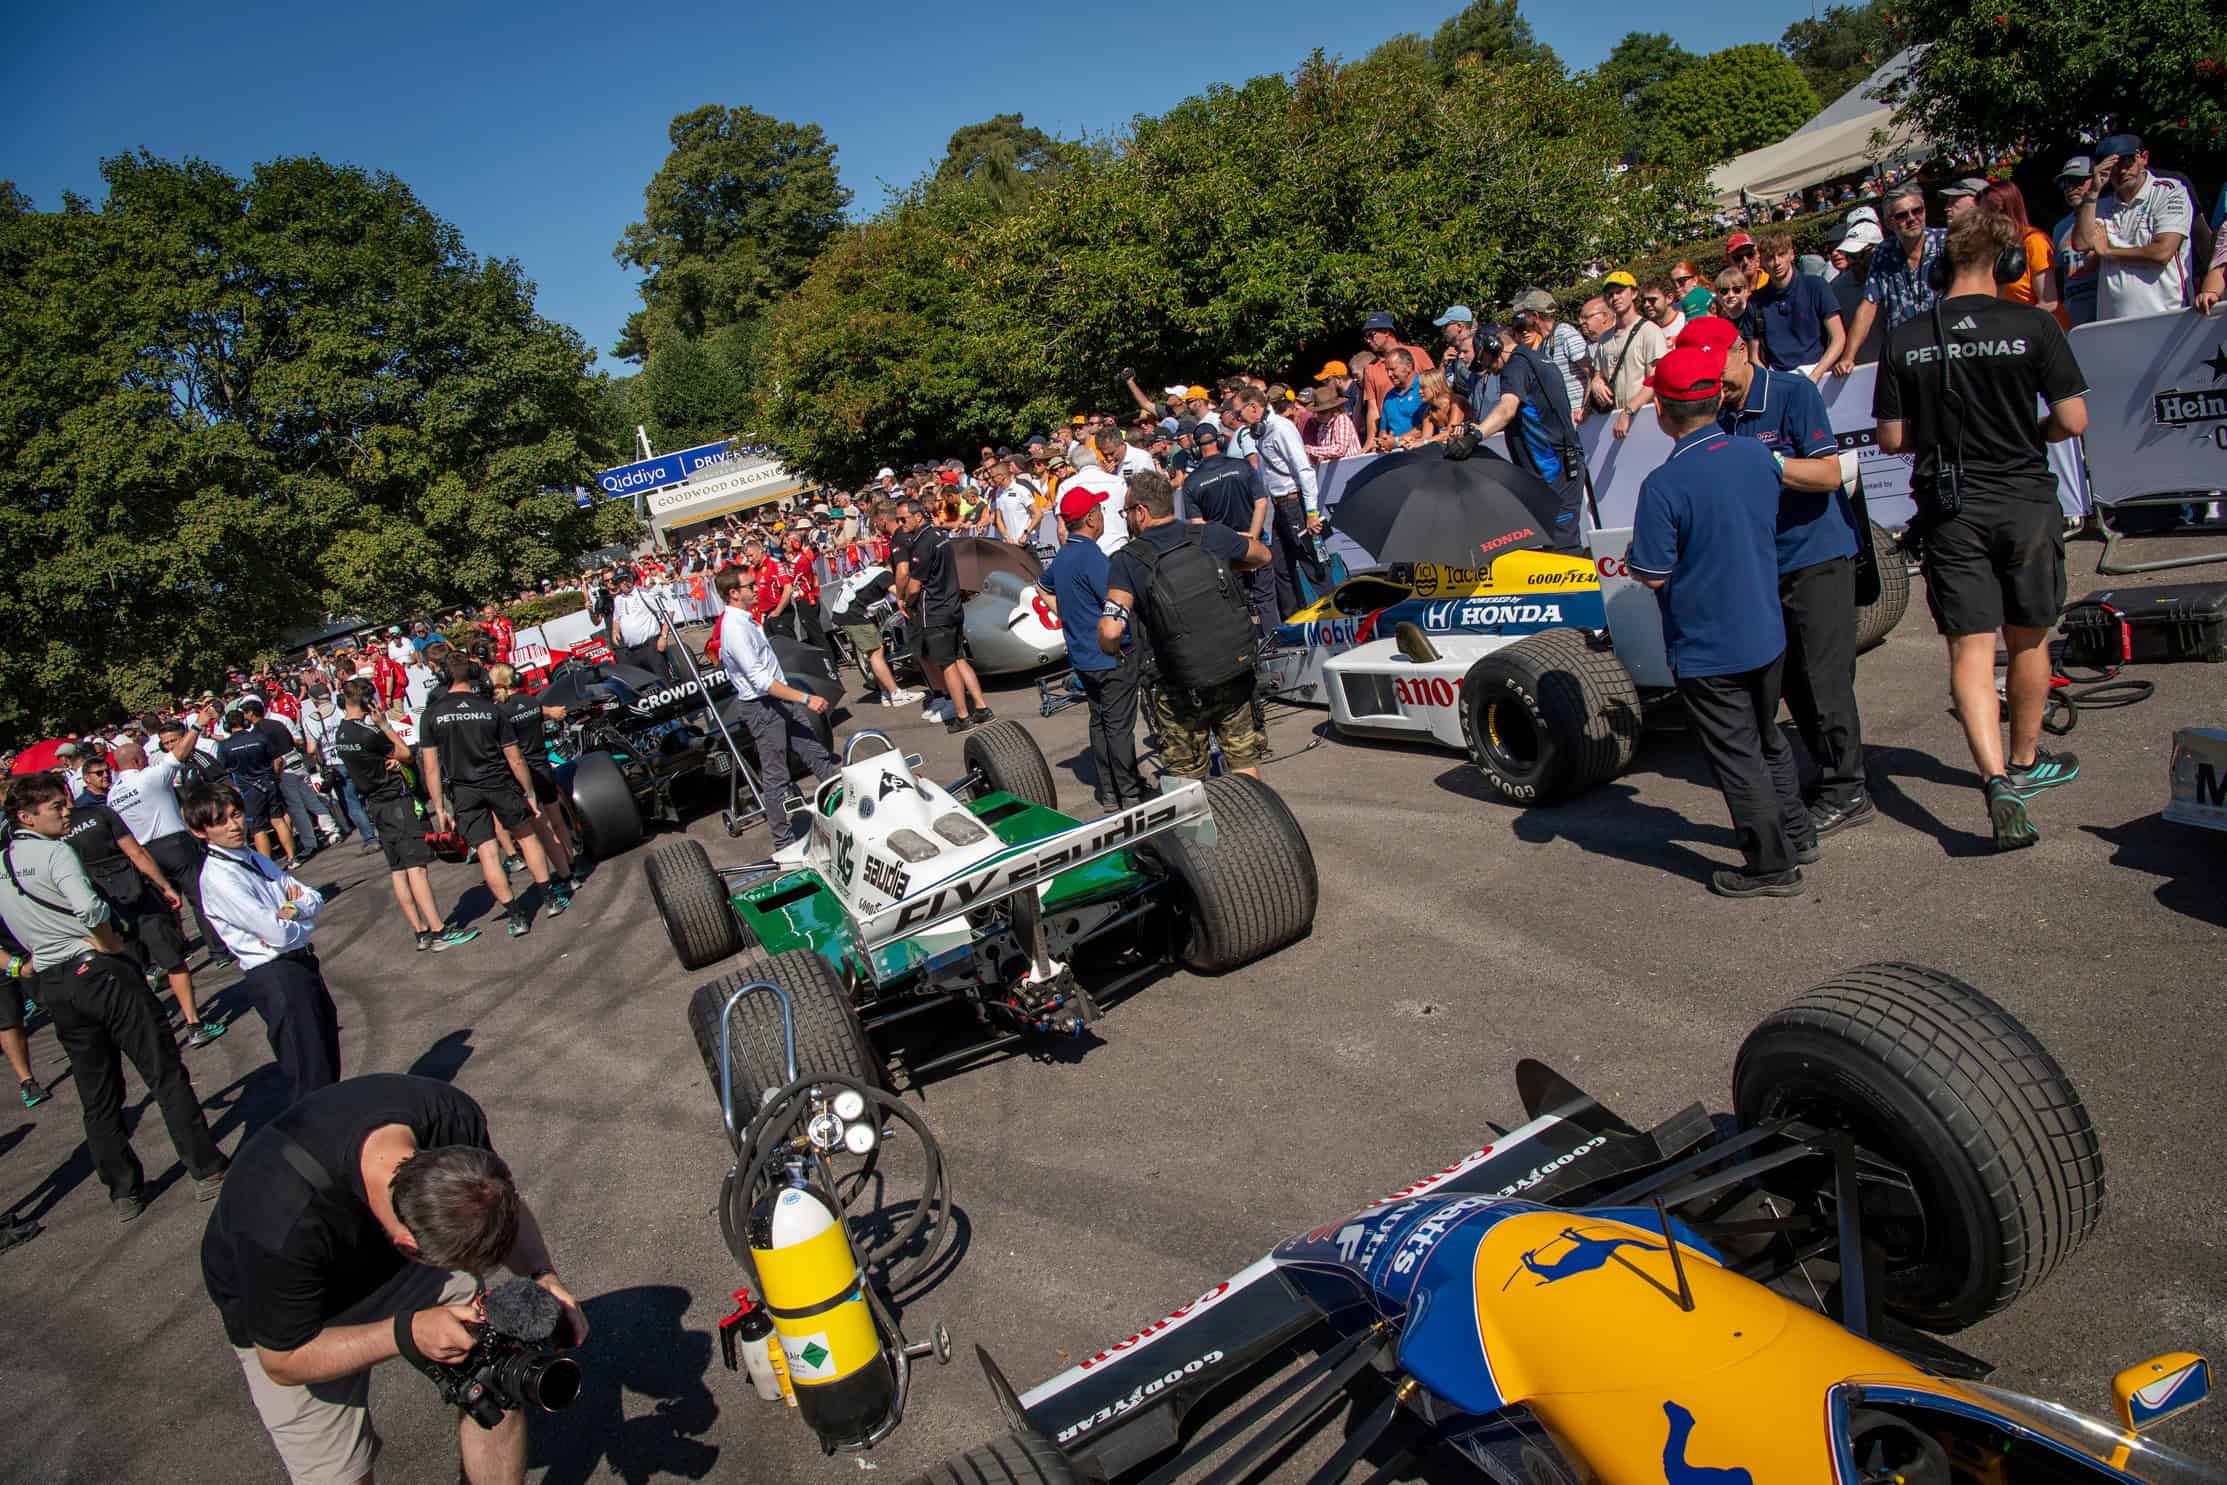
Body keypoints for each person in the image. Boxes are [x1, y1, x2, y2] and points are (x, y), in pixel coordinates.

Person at [200, 1073, 586, 1485]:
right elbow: (283, 1361)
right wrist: (406, 1333)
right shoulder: (276, 1223)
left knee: (500, 1375)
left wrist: (542, 1274)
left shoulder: (449, 1119)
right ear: (409, 1247)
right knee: (337, 1475)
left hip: (384, 1257)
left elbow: (503, 1202)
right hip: (296, 1322)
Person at [1875, 208, 2089, 850]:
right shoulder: (2033, 325)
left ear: (1939, 268)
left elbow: (1891, 438)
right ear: (2008, 263)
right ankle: (2024, 763)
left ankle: (1994, 780)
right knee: (2028, 638)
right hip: (2024, 499)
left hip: (1949, 509)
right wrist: (2030, 431)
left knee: (1969, 649)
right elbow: (2073, 420)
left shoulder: (1906, 337)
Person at [1628, 346, 1817, 898]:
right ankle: (1798, 834)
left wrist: (1645, 559)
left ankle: (1771, 864)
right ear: (1717, 398)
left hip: (1707, 646)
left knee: (1738, 758)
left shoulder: (1663, 484)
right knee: (1767, 739)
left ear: (1661, 411)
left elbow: (1652, 574)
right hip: (1765, 628)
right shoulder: (1756, 455)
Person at [0, 772, 230, 1221]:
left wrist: (18, 966)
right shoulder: (55, 852)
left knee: (97, 1092)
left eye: (65, 802)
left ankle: (123, 1189)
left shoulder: (4, 864)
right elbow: (89, 907)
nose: (67, 811)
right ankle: (205, 1168)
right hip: (97, 968)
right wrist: (107, 944)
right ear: (26, 817)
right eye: (55, 807)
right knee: (162, 1070)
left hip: (54, 983)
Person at [1689, 314, 1872, 837]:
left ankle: (1848, 788)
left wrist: (1763, 460)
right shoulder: (1718, 412)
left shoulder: (1793, 393)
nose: (1717, 388)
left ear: (1741, 351)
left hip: (1816, 556)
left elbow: (1830, 473)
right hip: (1764, 564)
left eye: (1720, 375)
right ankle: (1828, 773)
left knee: (1824, 680)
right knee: (1790, 681)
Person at [1099, 472, 1272, 781]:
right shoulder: (1211, 535)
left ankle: (1195, 815)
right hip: (1232, 669)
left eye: (1127, 512)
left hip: (1177, 682)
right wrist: (1230, 564)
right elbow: (1263, 555)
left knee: (1186, 778)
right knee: (1243, 761)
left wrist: (1113, 651)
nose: (1128, 518)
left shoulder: (1127, 561)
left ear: (1141, 511)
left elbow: (1112, 629)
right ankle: (1252, 808)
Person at [187, 782, 345, 1101]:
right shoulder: (219, 877)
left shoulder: (253, 858)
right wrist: (301, 922)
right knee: (310, 1077)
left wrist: (293, 909)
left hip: (302, 963)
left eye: (236, 815)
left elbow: (312, 897)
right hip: (276, 974)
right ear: (201, 831)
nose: (233, 826)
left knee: (327, 1062)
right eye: (220, 821)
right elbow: (276, 933)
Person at [64, 756, 227, 1048]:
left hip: (105, 908)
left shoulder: (56, 840)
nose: (105, 776)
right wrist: (165, 887)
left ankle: (158, 1033)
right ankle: (194, 1024)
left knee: (134, 971)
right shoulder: (101, 812)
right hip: (137, 896)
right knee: (174, 961)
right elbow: (136, 853)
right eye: (98, 773)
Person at [419, 652, 570, 937]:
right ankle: (549, 899)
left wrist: (439, 808)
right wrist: (529, 792)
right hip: (499, 782)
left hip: (463, 790)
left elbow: (430, 767)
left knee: (487, 853)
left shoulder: (431, 714)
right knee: (526, 837)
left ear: (444, 676)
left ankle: (516, 916)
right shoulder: (490, 709)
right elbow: (515, 759)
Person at [334, 680, 478, 954]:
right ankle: (439, 931)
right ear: (368, 702)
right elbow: (405, 753)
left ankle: (421, 931)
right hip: (395, 801)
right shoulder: (368, 732)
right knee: (416, 868)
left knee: (398, 870)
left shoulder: (341, 733)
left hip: (376, 804)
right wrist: (385, 725)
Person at [711, 568, 841, 852]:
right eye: (750, 585)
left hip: (779, 699)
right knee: (777, 777)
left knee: (816, 753)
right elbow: (761, 682)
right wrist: (805, 698)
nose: (757, 588)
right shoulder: (734, 629)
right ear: (734, 593)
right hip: (762, 707)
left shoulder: (746, 619)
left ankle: (842, 807)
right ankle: (783, 842)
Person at [1042, 488, 1148, 812]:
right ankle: (1129, 793)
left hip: (1083, 657)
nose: (1102, 515)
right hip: (1110, 656)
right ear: (1090, 518)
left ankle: (1111, 793)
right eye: (1099, 510)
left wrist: (1068, 615)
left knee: (1100, 722)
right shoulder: (1092, 557)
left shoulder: (1064, 556)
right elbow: (1117, 600)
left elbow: (1042, 586)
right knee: (1117, 727)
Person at [1468, 318, 1587, 549]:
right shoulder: (1534, 358)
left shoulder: (1515, 366)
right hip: (1560, 463)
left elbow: (1507, 408)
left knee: (1561, 545)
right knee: (1557, 541)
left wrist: (1475, 437)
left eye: (1483, 359)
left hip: (1553, 466)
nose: (1486, 368)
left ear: (1493, 346)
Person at [888, 498, 992, 732]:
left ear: (917, 516)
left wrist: (905, 602)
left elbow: (914, 586)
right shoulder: (939, 535)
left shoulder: (923, 542)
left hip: (935, 610)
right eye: (898, 520)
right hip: (952, 605)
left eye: (903, 519)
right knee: (959, 659)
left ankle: (963, 716)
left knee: (947, 665)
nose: (901, 524)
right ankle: (981, 707)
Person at [2077, 133, 2195, 321]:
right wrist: (2093, 191)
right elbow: (2082, 244)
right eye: (2112, 166)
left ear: (2144, 158)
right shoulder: (2100, 204)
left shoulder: (2169, 191)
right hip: (2113, 322)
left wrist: (2108, 252)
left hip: (2167, 315)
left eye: (2127, 161)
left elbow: (2162, 252)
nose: (2121, 171)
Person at [1234, 387, 1327, 618]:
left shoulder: (1281, 428)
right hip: (1276, 507)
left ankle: (1331, 615)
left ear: (1253, 407)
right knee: (1280, 567)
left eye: (1238, 413)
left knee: (1311, 563)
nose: (1237, 419)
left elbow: (1304, 469)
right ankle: (1293, 619)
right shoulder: (1260, 432)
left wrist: (1311, 512)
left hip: (1293, 502)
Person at [486, 664, 580, 889]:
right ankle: (572, 867)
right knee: (558, 822)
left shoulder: (500, 712)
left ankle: (565, 875)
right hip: (543, 767)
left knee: (544, 829)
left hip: (523, 775)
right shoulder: (532, 702)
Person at [1835, 186, 1946, 376]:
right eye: (1902, 215)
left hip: (1945, 348)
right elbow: (1868, 306)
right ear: (1889, 222)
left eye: (1917, 210)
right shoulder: (1883, 253)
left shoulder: (1946, 242)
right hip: (1906, 357)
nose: (1911, 218)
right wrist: (1848, 356)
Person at [1751, 232, 1846, 382]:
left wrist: (1816, 374)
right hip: (1778, 378)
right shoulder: (1755, 301)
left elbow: (1838, 337)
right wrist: (1772, 382)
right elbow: (1753, 355)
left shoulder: (1816, 286)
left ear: (1792, 254)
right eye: (1769, 257)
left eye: (1781, 254)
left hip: (1817, 371)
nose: (1776, 262)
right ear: (1761, 261)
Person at [1589, 272, 1669, 440]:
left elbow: (1655, 380)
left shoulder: (1650, 331)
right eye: (1610, 294)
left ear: (1634, 293)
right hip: (1613, 419)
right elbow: (1598, 374)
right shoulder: (1604, 339)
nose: (1615, 298)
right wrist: (1596, 381)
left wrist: (1628, 411)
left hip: (1644, 416)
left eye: (1620, 292)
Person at [217, 702, 295, 864]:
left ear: (227, 726)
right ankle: (292, 857)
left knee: (257, 828)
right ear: (245, 722)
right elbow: (278, 760)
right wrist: (274, 777)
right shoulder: (259, 737)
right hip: (269, 783)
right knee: (278, 820)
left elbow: (223, 772)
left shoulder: (225, 746)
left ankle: (267, 865)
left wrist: (234, 787)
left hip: (248, 790)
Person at [1980, 180, 2063, 327]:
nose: (1989, 218)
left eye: (1995, 210)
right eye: (1984, 212)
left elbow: (2049, 302)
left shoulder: (2034, 241)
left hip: (2045, 329)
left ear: (2011, 209)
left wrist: (2015, 325)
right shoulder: (1990, 250)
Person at [1358, 313, 1437, 445]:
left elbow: (1437, 388)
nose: (1368, 340)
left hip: (1420, 437)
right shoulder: (1371, 368)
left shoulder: (1417, 354)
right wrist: (1370, 441)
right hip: (1390, 438)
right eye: (1365, 337)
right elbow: (1373, 410)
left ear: (1387, 332)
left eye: (1371, 335)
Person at [2050, 156, 2101, 327]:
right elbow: (2059, 279)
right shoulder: (2060, 228)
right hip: (2074, 315)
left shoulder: (2108, 214)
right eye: (2065, 183)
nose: (2070, 188)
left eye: (2077, 181)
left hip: (2104, 309)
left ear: (2094, 179)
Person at [606, 568, 672, 679]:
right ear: (617, 583)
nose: (625, 582)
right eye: (621, 580)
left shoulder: (644, 593)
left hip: (651, 647)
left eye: (627, 578)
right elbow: (617, 618)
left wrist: (664, 636)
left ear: (632, 578)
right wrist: (615, 631)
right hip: (632, 651)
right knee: (642, 685)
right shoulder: (618, 599)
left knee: (663, 682)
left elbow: (669, 611)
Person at [1373, 349, 1427, 449]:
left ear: (1408, 367)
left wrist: (1396, 441)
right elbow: (1383, 431)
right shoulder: (1389, 397)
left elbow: (1426, 427)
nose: (1389, 374)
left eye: (1392, 369)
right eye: (1387, 370)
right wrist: (1381, 443)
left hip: (1421, 451)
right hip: (1395, 454)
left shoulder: (1425, 388)